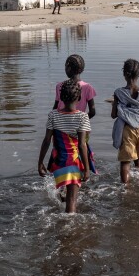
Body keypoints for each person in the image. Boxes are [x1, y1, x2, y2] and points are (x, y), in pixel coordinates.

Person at [38, 79, 95, 213]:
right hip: (73, 163)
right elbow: (81, 145)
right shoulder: (82, 117)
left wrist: (40, 162)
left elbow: (47, 140)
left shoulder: (53, 115)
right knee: (72, 201)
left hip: (58, 163)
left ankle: (61, 198)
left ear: (61, 97)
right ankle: (69, 226)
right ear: (80, 97)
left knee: (65, 191)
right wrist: (87, 169)